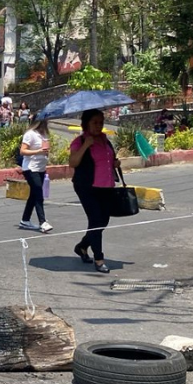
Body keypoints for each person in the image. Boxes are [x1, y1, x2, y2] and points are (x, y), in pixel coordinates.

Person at [69, 109, 120, 273]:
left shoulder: (106, 141)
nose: (99, 126)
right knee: (96, 221)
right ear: (86, 124)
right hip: (87, 187)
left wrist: (115, 164)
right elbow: (73, 162)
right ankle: (99, 259)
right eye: (95, 122)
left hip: (106, 186)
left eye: (101, 122)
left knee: (102, 221)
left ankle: (82, 246)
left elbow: (107, 162)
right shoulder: (80, 141)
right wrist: (86, 145)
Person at [18, 118, 54, 233]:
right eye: (44, 121)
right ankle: (43, 222)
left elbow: (44, 149)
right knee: (38, 193)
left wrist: (45, 152)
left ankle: (25, 220)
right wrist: (38, 151)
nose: (46, 123)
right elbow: (23, 151)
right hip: (30, 168)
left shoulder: (43, 134)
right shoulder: (30, 134)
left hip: (40, 168)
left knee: (34, 194)